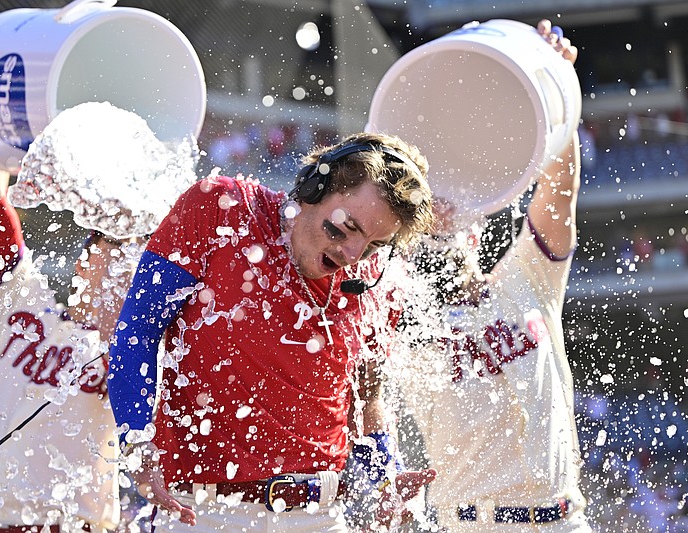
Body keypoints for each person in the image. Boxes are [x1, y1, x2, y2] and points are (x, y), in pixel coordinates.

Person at [108, 132, 438, 531]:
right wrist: (138, 444)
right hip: (204, 512)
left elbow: (368, 397)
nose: (351, 256)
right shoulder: (220, 207)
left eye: (371, 246)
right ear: (314, 187)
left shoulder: (376, 282)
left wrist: (385, 472)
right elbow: (137, 332)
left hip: (321, 516)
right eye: (345, 228)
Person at [391, 20, 593, 532]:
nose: (440, 220)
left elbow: (560, 190)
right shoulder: (400, 317)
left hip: (564, 522)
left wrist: (555, 91)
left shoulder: (526, 279)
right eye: (424, 225)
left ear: (477, 237)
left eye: (452, 219)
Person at [0, 18, 147, 531]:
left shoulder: (142, 350)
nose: (123, 272)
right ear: (84, 264)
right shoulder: (19, 301)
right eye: (112, 254)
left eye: (134, 261)